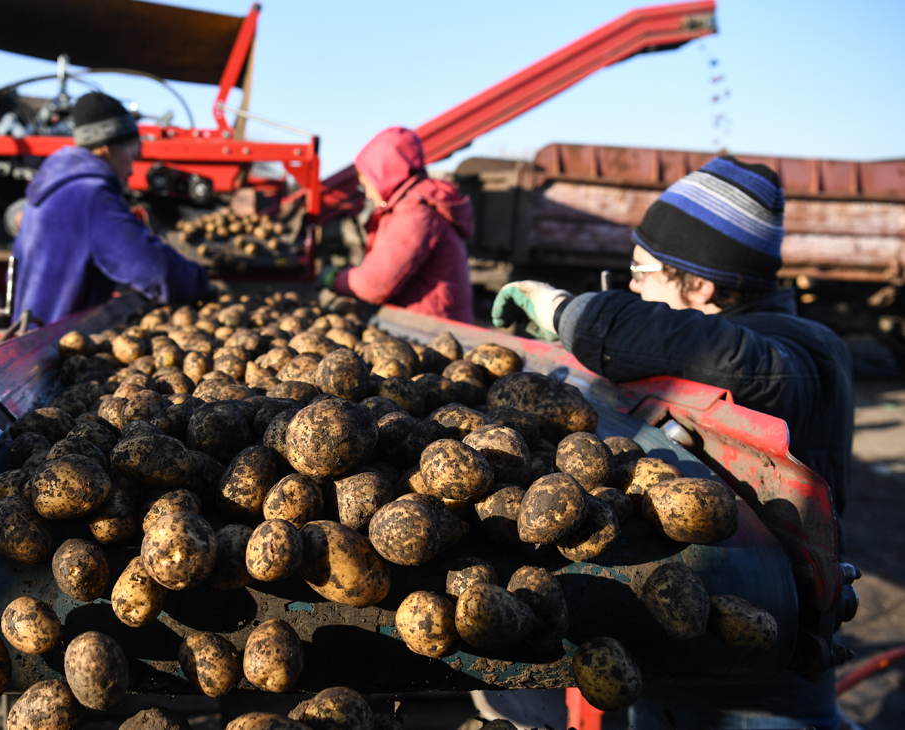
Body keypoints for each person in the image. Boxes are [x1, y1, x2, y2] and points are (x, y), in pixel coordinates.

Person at [491, 156, 855, 730]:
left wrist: (562, 308)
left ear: (700, 284)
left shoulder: (795, 356)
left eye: (640, 272)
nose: (631, 288)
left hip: (758, 671)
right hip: (684, 632)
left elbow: (688, 344)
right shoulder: (732, 338)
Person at [11, 92, 208, 324]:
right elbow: (150, 267)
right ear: (107, 150)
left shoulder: (55, 183)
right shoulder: (90, 195)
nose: (132, 169)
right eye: (133, 155)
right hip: (55, 343)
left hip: (31, 333)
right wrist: (199, 282)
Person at [318, 127, 475, 323]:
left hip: (432, 329)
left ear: (384, 175)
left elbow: (374, 284)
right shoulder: (411, 205)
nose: (367, 193)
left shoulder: (416, 213)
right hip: (431, 321)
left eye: (367, 184)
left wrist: (334, 278)